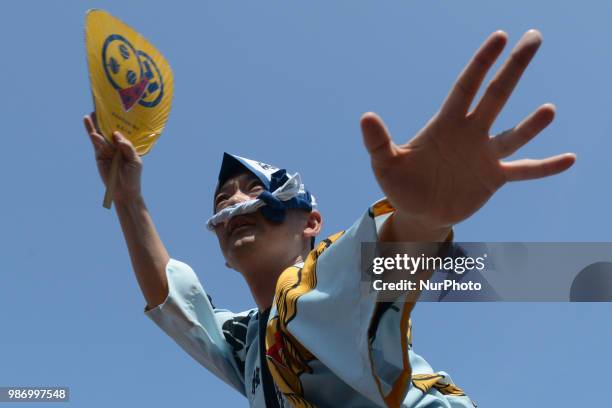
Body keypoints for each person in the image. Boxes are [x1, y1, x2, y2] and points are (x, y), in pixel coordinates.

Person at [84, 30, 575, 407]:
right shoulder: (248, 342)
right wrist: (128, 199)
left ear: (311, 222)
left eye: (254, 191)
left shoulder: (322, 277)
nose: (234, 205)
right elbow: (175, 303)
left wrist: (426, 219)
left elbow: (388, 262)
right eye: (222, 201)